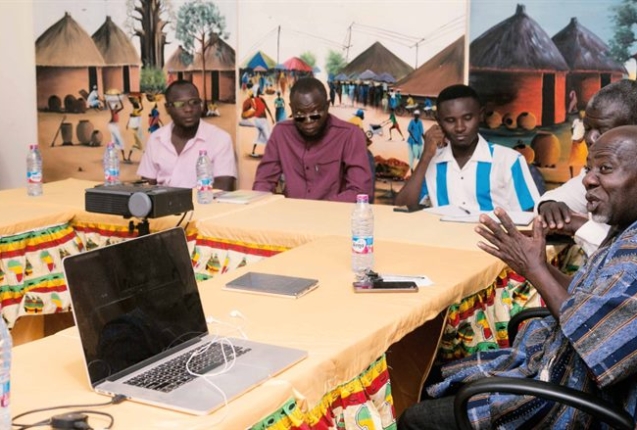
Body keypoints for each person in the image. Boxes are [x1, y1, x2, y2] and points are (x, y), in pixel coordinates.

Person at [398, 125, 637, 429]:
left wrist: (536, 271)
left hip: (576, 407)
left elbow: (597, 340)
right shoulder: (624, 232)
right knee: (436, 376)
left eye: (605, 169)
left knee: (414, 419)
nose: (588, 179)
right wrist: (534, 264)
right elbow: (585, 300)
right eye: (589, 168)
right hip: (555, 369)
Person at [395, 84, 540, 212]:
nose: (460, 127)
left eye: (468, 118)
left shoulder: (509, 161)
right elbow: (402, 207)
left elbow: (528, 218)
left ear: (480, 116)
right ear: (439, 121)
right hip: (443, 242)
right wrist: (426, 157)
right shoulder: (431, 163)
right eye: (450, 120)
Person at [537, 79, 637, 256]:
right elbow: (562, 196)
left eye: (603, 130)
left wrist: (582, 227)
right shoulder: (596, 176)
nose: (590, 138)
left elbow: (624, 258)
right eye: (588, 128)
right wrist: (550, 206)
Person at [252, 77, 373, 202]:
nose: (308, 122)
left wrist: (316, 211)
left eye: (315, 115)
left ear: (327, 106)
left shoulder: (350, 135)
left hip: (334, 216)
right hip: (291, 216)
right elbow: (263, 181)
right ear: (291, 109)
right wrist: (262, 203)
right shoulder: (281, 133)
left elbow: (360, 191)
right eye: (299, 116)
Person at [137, 80, 236, 191]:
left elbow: (223, 188)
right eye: (180, 104)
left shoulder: (220, 139)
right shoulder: (156, 139)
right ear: (167, 108)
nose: (188, 109)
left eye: (194, 102)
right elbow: (146, 187)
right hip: (163, 206)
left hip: (204, 206)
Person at [249, 89, 275, 156]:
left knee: (259, 135)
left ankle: (253, 151)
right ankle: (271, 153)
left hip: (259, 120)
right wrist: (271, 118)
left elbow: (267, 108)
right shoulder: (254, 100)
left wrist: (272, 117)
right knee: (266, 135)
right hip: (261, 120)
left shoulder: (258, 100)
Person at [107, 95, 127, 162]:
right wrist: (107, 100)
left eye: (116, 107)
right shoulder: (113, 111)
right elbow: (110, 106)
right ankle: (113, 156)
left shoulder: (116, 111)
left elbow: (122, 107)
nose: (115, 108)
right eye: (115, 107)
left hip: (114, 125)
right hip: (112, 126)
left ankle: (122, 157)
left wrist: (119, 99)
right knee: (116, 141)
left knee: (117, 141)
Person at [125, 94, 144, 163]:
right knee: (140, 146)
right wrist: (141, 101)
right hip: (137, 130)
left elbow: (131, 117)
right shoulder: (136, 111)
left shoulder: (134, 111)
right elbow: (142, 108)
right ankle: (129, 158)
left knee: (138, 145)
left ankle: (129, 158)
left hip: (136, 129)